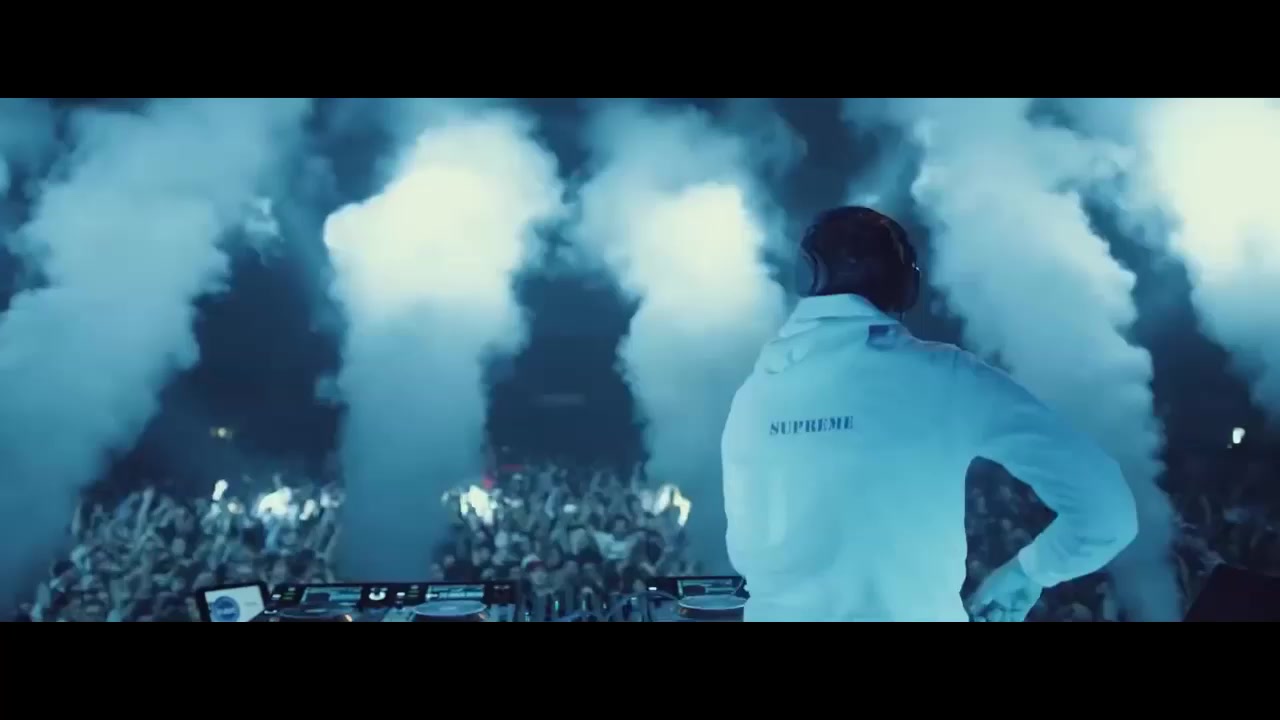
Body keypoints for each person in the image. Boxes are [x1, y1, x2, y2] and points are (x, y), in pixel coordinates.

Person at [721, 206, 1138, 622]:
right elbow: (1107, 510)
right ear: (905, 286)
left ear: (807, 276)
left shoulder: (752, 396)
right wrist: (1027, 573)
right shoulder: (945, 376)